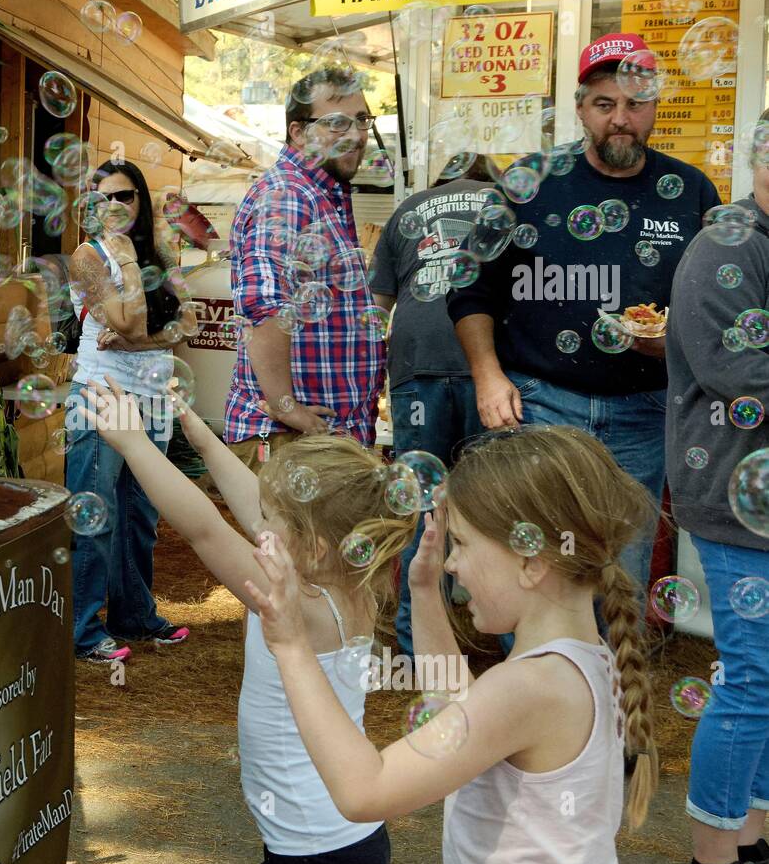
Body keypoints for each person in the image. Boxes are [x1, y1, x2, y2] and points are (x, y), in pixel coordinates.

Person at [248, 425, 660, 864]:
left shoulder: (528, 687)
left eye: (461, 544)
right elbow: (457, 708)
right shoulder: (587, 663)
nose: (451, 564)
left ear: (531, 561)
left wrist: (293, 646)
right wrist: (424, 595)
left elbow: (364, 791)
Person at [82, 376, 414, 864]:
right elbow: (253, 510)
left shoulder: (300, 607)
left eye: (275, 520)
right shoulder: (348, 586)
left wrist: (136, 445)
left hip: (318, 861)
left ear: (316, 547)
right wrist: (203, 437)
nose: (262, 524)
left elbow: (205, 530)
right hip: (330, 846)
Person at [447, 33, 721, 601]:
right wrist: (487, 375)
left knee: (623, 562)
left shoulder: (690, 191)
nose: (620, 119)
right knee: (535, 563)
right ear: (580, 108)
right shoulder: (530, 181)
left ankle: (609, 685)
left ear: (654, 107)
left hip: (644, 413)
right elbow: (470, 286)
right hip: (541, 400)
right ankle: (533, 681)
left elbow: (706, 303)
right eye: (604, 104)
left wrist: (672, 339)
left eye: (635, 103)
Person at [665, 117, 769, 864]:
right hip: (735, 496)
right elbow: (739, 369)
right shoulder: (728, 248)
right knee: (750, 677)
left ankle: (754, 844)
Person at [64, 161, 196, 664]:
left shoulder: (161, 253)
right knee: (96, 515)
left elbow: (187, 320)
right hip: (103, 395)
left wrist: (144, 339)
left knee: (140, 512)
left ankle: (135, 615)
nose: (114, 207)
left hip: (154, 397)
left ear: (140, 200)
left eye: (125, 196)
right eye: (103, 199)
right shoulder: (88, 257)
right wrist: (123, 263)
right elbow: (125, 318)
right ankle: (81, 630)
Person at [225, 66, 384, 471]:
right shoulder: (289, 195)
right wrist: (285, 405)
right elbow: (264, 304)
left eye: (362, 120)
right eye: (336, 123)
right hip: (295, 443)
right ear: (298, 133)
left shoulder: (322, 193)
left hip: (320, 441)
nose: (355, 134)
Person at [370, 154, 490, 657]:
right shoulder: (503, 202)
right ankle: (509, 638)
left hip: (417, 367)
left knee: (424, 507)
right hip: (485, 367)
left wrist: (374, 373)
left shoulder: (408, 209)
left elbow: (378, 305)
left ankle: (419, 642)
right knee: (494, 505)